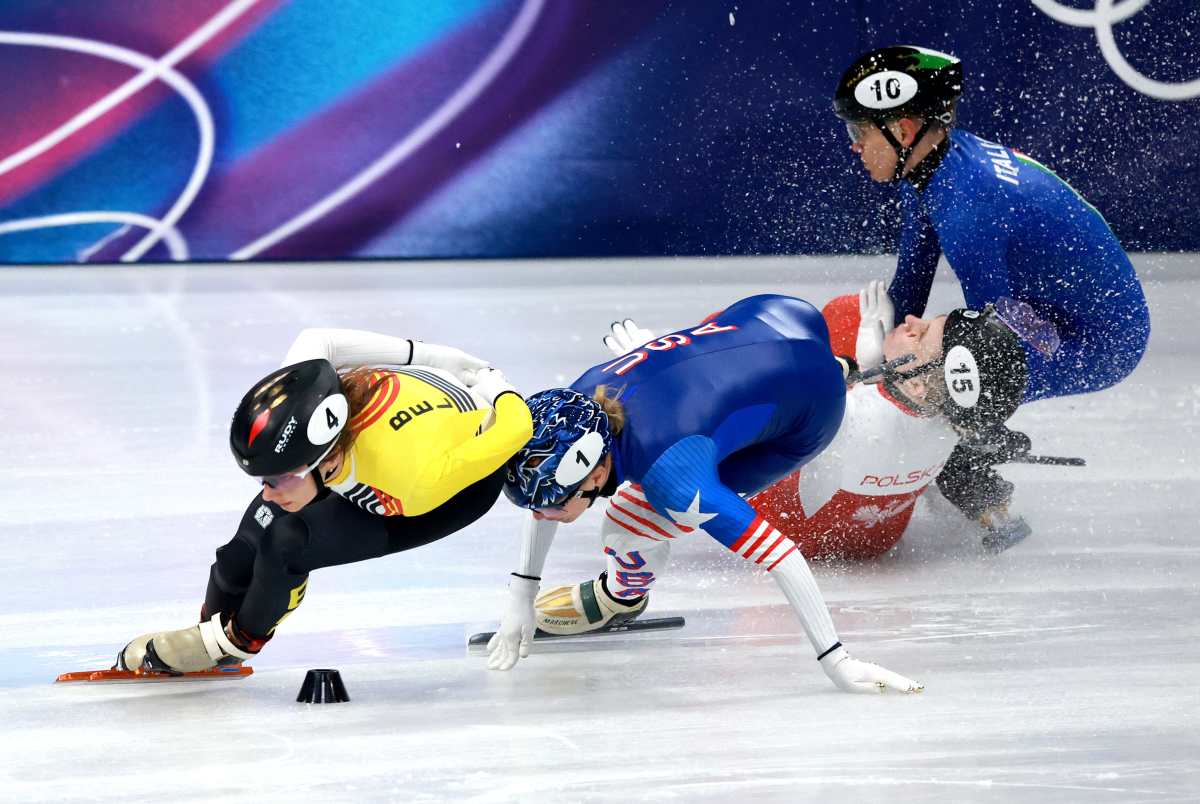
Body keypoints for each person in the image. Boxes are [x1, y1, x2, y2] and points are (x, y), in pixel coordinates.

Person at [485, 293, 924, 694]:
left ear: (598, 472)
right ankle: (837, 369)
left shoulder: (674, 475)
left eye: (554, 503)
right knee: (704, 413)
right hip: (776, 315)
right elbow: (541, 485)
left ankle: (621, 597)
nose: (542, 514)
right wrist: (520, 596)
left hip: (811, 417)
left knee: (624, 522)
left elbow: (782, 556)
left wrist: (838, 662)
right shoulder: (577, 399)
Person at [832, 45, 1150, 524]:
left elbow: (987, 350)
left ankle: (985, 500)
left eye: (859, 130)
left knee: (943, 383)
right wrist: (860, 362)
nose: (853, 145)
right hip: (1065, 310)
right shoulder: (930, 168)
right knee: (912, 357)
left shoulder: (968, 204)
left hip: (1100, 341)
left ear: (903, 130)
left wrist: (968, 426)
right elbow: (911, 285)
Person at [118, 330, 532, 674]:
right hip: (395, 437)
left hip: (452, 491)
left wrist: (499, 387)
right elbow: (319, 340)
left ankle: (238, 642)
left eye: (277, 479)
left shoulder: (412, 478)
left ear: (327, 460)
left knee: (287, 542)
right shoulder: (306, 385)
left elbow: (517, 429)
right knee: (243, 546)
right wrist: (432, 355)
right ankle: (211, 630)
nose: (267, 490)